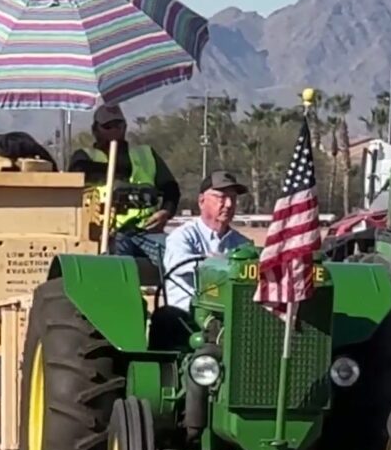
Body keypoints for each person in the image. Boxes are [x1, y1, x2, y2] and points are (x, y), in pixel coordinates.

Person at [68, 104, 180, 262]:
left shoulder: (146, 154)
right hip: (107, 233)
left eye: (118, 125)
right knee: (117, 267)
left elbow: (171, 189)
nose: (114, 131)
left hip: (146, 230)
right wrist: (115, 171)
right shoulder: (85, 157)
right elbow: (76, 175)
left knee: (179, 256)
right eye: (108, 126)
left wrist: (165, 212)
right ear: (95, 130)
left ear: (125, 127)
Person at [162, 170, 253, 311]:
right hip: (184, 318)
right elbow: (179, 267)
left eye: (233, 198)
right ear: (201, 201)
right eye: (221, 197)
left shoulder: (243, 244)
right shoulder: (182, 237)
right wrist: (221, 265)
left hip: (228, 317)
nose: (228, 204)